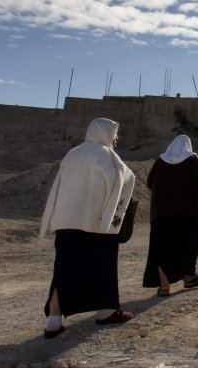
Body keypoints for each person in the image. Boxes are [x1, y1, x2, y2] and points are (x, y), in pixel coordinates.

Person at [39, 118, 136, 338]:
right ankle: (107, 311)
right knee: (103, 269)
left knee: (63, 270)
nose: (116, 138)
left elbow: (58, 186)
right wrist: (113, 222)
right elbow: (123, 181)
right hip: (96, 224)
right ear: (104, 133)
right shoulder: (106, 155)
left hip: (66, 222)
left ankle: (53, 320)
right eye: (114, 133)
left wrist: (51, 217)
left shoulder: (72, 154)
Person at [142, 135, 198, 296]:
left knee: (161, 250)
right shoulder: (192, 159)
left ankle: (164, 287)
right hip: (188, 214)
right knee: (188, 246)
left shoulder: (161, 161)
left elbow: (149, 183)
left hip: (161, 214)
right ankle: (189, 277)